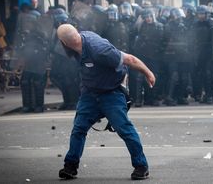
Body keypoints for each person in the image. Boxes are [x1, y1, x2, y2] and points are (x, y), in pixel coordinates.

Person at [57, 24, 155, 180]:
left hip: (112, 93)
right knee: (79, 129)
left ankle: (141, 166)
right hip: (90, 94)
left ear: (63, 42)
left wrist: (148, 73)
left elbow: (129, 59)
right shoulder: (75, 47)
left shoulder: (99, 49)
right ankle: (70, 166)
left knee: (124, 129)